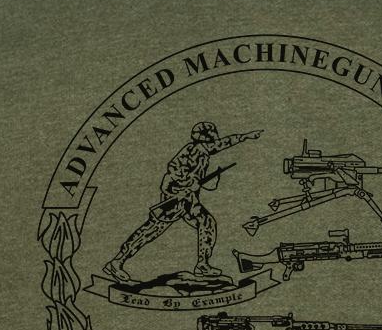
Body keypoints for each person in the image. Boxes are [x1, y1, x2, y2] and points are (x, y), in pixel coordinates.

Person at [102, 121, 262, 285]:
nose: (215, 142)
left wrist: (245, 137)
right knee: (152, 230)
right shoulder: (191, 152)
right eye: (211, 138)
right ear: (204, 139)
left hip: (189, 199)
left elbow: (225, 143)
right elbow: (172, 171)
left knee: (207, 223)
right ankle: (117, 262)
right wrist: (188, 182)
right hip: (175, 198)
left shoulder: (205, 149)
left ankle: (202, 265)